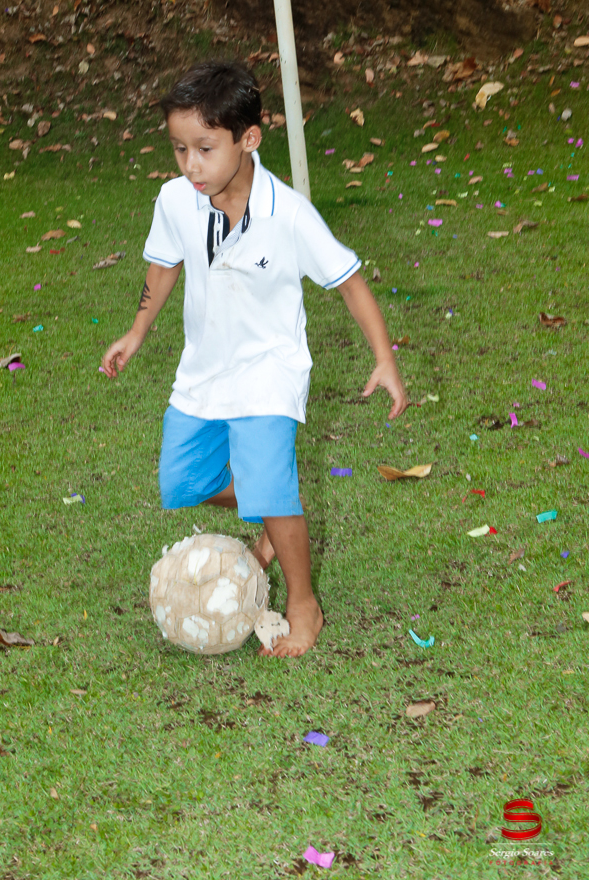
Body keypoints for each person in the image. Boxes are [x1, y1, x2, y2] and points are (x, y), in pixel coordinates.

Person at [101, 60, 407, 657]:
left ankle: (302, 603)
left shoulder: (287, 213)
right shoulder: (175, 200)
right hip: (204, 370)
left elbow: (348, 280)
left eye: (205, 148)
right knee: (183, 481)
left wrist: (384, 357)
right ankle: (274, 507)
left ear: (249, 139)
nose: (191, 164)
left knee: (269, 486)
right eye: (180, 148)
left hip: (271, 370)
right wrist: (137, 331)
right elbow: (165, 264)